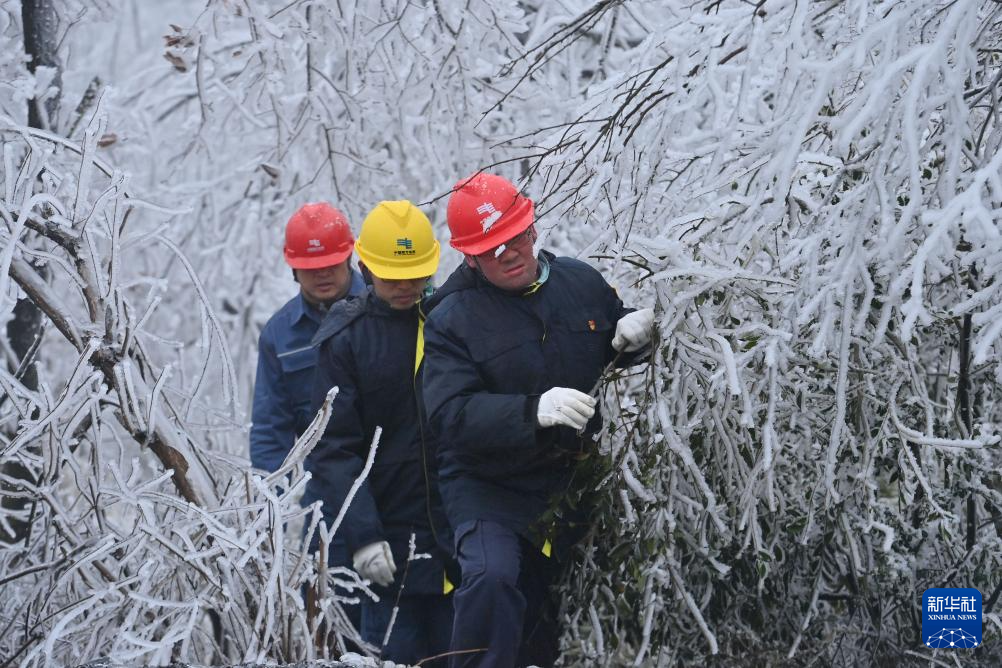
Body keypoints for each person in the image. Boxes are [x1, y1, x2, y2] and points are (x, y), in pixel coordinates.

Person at [421, 173, 654, 668]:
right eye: (490, 248)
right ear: (469, 257)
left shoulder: (580, 283)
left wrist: (639, 335)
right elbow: (448, 414)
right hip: (487, 484)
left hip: (570, 479)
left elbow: (612, 343)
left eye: (513, 237)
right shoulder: (449, 318)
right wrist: (531, 412)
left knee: (551, 610)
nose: (507, 253)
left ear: (532, 228)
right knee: (492, 578)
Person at [304, 200, 455, 665]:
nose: (407, 286)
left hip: (459, 539)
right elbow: (334, 449)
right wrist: (364, 536)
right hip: (388, 546)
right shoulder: (346, 339)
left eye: (416, 275)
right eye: (393, 276)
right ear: (365, 266)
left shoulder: (454, 318)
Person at [250, 202, 366, 473]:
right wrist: (272, 505)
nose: (322, 274)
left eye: (330, 264)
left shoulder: (384, 308)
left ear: (348, 257)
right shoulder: (279, 336)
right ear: (293, 268)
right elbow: (270, 429)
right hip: (327, 480)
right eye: (311, 267)